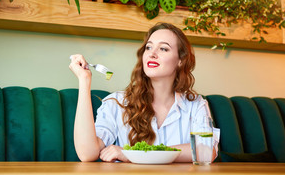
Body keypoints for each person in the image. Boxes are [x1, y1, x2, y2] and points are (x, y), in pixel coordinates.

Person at [69, 22, 220, 162]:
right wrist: (84, 80)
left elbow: (207, 151)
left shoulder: (196, 105)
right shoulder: (117, 103)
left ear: (181, 60)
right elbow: (87, 153)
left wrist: (134, 154)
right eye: (148, 47)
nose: (152, 53)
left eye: (163, 48)